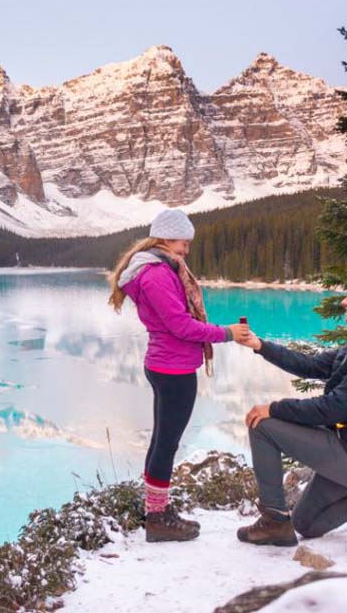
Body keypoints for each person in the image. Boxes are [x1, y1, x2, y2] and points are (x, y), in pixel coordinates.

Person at [233, 272, 347, 546]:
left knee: (263, 425)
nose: (345, 301)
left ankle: (273, 521)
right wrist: (261, 346)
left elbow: (333, 410)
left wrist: (273, 408)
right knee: (305, 524)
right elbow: (311, 366)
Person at [109, 209, 252, 542]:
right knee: (166, 443)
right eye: (183, 243)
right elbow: (181, 326)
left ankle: (156, 510)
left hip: (167, 365)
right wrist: (228, 333)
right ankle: (158, 519)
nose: (186, 250)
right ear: (164, 238)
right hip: (172, 369)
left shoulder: (158, 268)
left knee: (163, 439)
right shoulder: (157, 274)